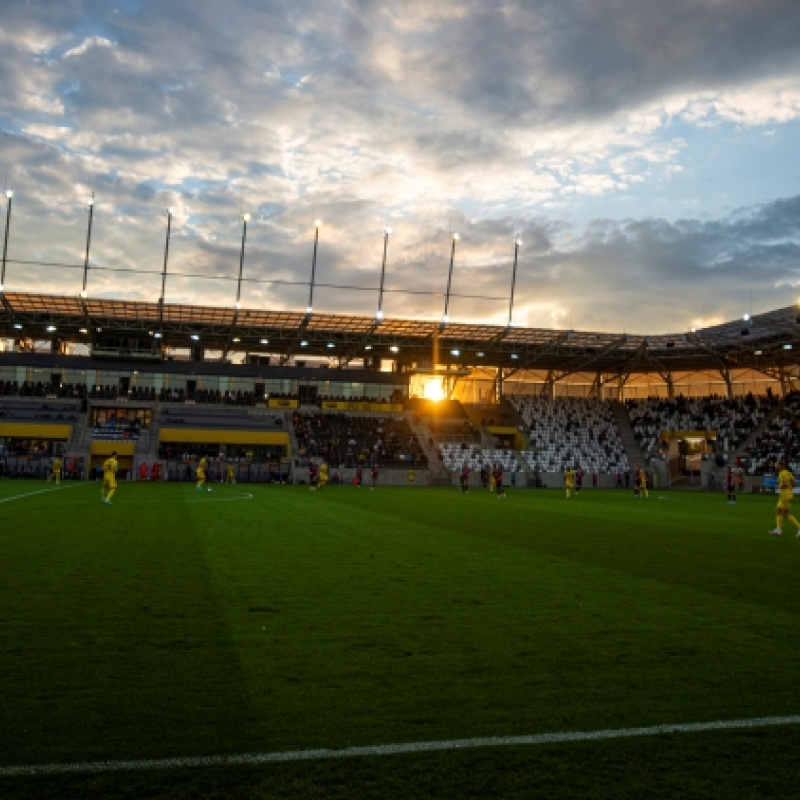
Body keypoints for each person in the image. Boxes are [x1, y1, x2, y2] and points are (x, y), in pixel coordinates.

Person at [769, 458, 800, 536]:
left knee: (785, 513)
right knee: (778, 510)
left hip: (786, 495)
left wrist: (779, 486)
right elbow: (795, 483)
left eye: (777, 465)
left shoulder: (783, 473)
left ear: (781, 466)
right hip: (786, 495)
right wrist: (789, 487)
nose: (776, 466)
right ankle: (778, 529)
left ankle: (798, 527)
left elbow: (785, 484)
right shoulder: (788, 473)